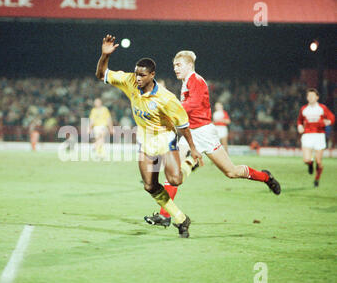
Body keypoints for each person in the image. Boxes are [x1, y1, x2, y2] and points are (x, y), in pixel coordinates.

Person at [144, 50, 281, 227]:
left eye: (179, 65)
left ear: (189, 65)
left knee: (231, 172)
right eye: (174, 66)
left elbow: (192, 105)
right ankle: (165, 216)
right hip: (190, 134)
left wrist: (171, 108)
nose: (175, 68)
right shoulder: (186, 82)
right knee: (173, 172)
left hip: (204, 133)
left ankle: (265, 177)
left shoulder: (196, 80)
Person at [96, 34, 202, 238]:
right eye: (136, 74)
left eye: (142, 75)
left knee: (175, 179)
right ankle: (181, 219)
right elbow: (102, 74)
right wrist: (104, 55)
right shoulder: (129, 81)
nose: (137, 78)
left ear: (152, 75)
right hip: (146, 140)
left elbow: (184, 125)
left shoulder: (166, 98)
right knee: (149, 185)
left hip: (164, 138)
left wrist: (194, 149)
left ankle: (189, 163)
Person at [297, 88, 335, 187]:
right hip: (307, 135)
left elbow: (332, 117)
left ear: (317, 97)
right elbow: (299, 121)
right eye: (309, 96)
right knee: (306, 160)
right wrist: (300, 127)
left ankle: (317, 179)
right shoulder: (304, 109)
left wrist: (329, 122)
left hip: (319, 136)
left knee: (319, 161)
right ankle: (310, 164)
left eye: (312, 96)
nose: (310, 98)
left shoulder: (322, 108)